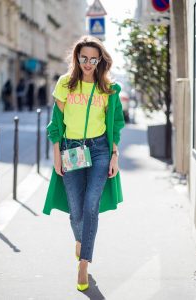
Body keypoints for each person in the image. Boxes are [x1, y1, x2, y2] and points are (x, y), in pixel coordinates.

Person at [42, 35, 125, 291]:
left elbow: (117, 123)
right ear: (77, 58)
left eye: (93, 58)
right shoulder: (65, 84)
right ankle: (80, 241)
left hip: (100, 150)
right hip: (72, 150)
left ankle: (84, 263)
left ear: (100, 60)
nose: (88, 63)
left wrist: (114, 155)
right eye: (83, 58)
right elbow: (56, 124)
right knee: (76, 210)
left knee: (91, 206)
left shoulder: (108, 88)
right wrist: (57, 155)